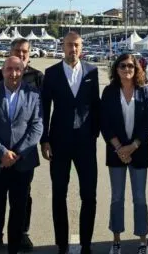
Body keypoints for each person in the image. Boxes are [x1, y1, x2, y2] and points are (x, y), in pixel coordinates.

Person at [40, 32, 101, 254]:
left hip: (85, 142)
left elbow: (95, 105)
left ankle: (86, 243)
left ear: (81, 47)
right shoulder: (52, 73)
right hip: (59, 141)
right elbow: (44, 109)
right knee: (59, 194)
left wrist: (94, 133)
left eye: (76, 46)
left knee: (89, 195)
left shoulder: (91, 72)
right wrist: (44, 140)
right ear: (62, 47)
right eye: (69, 45)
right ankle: (62, 244)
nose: (72, 49)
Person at [0, 56, 43, 254]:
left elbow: (37, 126)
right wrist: (2, 153)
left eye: (17, 70)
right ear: (3, 71)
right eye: (9, 69)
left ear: (23, 71)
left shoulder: (34, 94)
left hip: (22, 164)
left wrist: (18, 154)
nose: (13, 74)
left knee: (18, 210)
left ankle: (14, 249)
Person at [101, 53, 148, 254]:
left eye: (130, 65)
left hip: (138, 152)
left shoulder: (144, 92)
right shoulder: (109, 92)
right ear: (116, 69)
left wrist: (132, 147)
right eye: (122, 66)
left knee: (139, 198)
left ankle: (143, 241)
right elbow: (104, 123)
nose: (126, 69)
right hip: (116, 153)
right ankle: (116, 240)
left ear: (136, 68)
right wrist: (119, 148)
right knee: (117, 197)